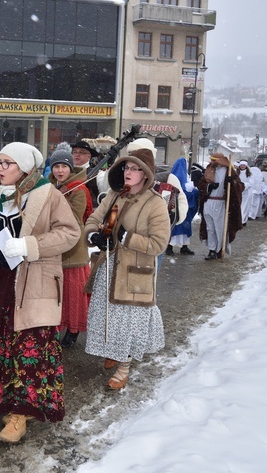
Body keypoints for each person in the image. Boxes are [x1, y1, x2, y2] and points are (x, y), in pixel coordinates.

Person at [0, 142, 80, 443]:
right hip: (0, 284)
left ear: (24, 167)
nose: (0, 168)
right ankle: (6, 400)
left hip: (33, 283)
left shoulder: (46, 193)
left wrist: (30, 246)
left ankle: (20, 414)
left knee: (29, 351)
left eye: (7, 163)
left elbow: (70, 233)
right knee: (1, 346)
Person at [83, 148, 170, 391]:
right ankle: (114, 350)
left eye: (135, 168)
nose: (128, 172)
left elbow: (159, 244)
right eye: (126, 168)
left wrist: (126, 237)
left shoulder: (155, 204)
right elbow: (92, 220)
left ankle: (124, 366)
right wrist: (94, 236)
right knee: (108, 317)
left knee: (128, 323)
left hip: (134, 273)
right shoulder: (114, 195)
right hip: (109, 268)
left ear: (146, 174)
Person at [46, 145, 92, 348]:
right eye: (56, 166)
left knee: (73, 293)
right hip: (53, 247)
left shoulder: (79, 189)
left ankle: (73, 329)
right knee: (56, 293)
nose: (60, 171)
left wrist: (57, 202)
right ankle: (56, 325)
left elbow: (74, 220)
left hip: (73, 249)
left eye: (64, 166)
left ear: (70, 168)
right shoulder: (49, 186)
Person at [198, 153, 244, 260]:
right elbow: (201, 184)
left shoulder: (229, 172)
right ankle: (212, 250)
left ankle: (220, 249)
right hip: (208, 202)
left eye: (213, 160)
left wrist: (232, 183)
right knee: (210, 228)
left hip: (221, 203)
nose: (211, 162)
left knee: (219, 227)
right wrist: (209, 186)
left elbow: (241, 186)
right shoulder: (209, 171)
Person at [166, 157, 199, 256]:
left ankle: (184, 246)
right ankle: (169, 247)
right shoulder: (176, 177)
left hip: (185, 208)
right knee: (176, 227)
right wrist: (192, 192)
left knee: (185, 227)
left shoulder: (185, 176)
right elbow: (180, 192)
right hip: (177, 207)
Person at [71, 139, 101, 205]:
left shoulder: (96, 173)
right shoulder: (68, 171)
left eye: (81, 152)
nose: (77, 154)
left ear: (89, 156)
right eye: (75, 152)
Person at [237, 161, 253, 225]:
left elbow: (251, 183)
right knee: (239, 206)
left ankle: (243, 220)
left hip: (246, 192)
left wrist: (243, 185)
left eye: (244, 165)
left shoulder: (249, 174)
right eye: (241, 165)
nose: (242, 166)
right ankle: (240, 220)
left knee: (245, 206)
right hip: (238, 191)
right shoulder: (237, 173)